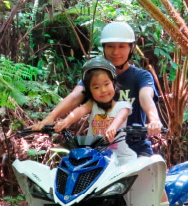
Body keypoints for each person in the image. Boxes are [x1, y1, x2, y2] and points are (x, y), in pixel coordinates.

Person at [32, 21, 162, 156]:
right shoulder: (94, 77)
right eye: (110, 46)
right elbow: (75, 96)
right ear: (104, 48)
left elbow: (145, 96)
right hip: (101, 152)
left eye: (122, 46)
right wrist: (50, 118)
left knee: (151, 166)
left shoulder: (141, 76)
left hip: (136, 150)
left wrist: (154, 120)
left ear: (131, 48)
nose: (116, 52)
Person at [57, 57, 137, 165]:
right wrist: (66, 121)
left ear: (113, 83)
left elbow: (121, 117)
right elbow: (80, 110)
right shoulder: (93, 104)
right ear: (89, 90)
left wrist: (113, 127)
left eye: (106, 84)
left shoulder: (123, 105)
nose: (103, 90)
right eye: (96, 87)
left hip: (120, 158)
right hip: (95, 157)